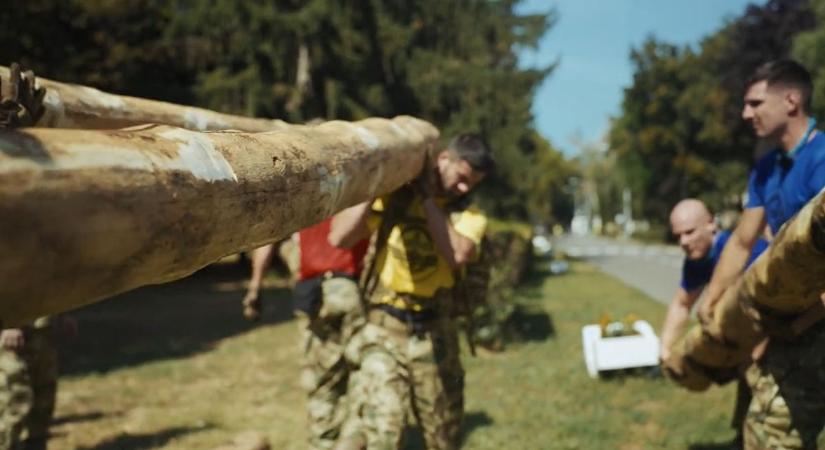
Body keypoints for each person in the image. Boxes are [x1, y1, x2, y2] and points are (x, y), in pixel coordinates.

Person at [329, 133, 494, 450]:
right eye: (462, 178)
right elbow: (339, 238)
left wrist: (427, 198)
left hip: (434, 334)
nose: (464, 189)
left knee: (442, 438)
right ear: (444, 159)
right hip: (384, 330)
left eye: (472, 184)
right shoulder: (396, 198)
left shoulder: (470, 216)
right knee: (383, 431)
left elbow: (456, 255)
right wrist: (374, 183)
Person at [699, 60, 825, 450]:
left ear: (791, 100)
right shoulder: (767, 168)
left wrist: (806, 318)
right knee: (763, 424)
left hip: (814, 320)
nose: (745, 113)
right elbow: (741, 241)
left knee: (772, 430)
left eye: (755, 103)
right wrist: (714, 298)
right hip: (796, 319)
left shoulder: (822, 158)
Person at [240, 219, 368, 450]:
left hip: (313, 291)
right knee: (361, 376)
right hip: (350, 287)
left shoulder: (302, 185)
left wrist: (255, 285)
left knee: (322, 382)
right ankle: (353, 440)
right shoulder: (360, 183)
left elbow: (268, 236)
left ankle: (325, 443)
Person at [661, 198, 768, 446]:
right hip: (748, 335)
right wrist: (665, 351)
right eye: (678, 236)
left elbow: (775, 303)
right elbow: (681, 304)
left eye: (689, 232)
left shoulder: (745, 251)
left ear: (711, 224)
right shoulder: (697, 260)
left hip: (791, 326)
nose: (684, 242)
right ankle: (743, 438)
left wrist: (757, 352)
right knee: (748, 388)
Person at [0, 316, 74, 450]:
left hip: (43, 327)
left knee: (43, 395)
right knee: (15, 396)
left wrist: (62, 314)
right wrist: (9, 322)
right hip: (10, 327)